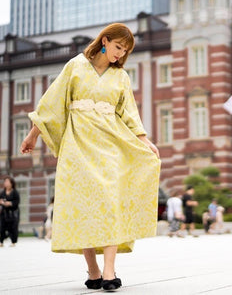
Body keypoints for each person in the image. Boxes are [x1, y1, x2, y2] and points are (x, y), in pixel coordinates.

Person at [20, 23, 161, 291]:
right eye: (118, 47)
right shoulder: (75, 66)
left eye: (125, 51)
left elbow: (129, 113)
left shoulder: (121, 77)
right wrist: (33, 134)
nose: (120, 54)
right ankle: (93, 271)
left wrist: (145, 141)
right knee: (84, 206)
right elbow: (52, 104)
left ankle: (110, 271)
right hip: (78, 147)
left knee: (109, 202)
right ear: (105, 41)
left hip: (109, 145)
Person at [0, 176, 20, 247]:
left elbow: (17, 201)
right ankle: (1, 242)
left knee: (13, 227)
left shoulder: (15, 192)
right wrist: (0, 202)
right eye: (5, 182)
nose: (5, 183)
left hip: (12, 213)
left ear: (11, 183)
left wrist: (10, 203)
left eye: (7, 181)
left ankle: (13, 242)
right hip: (4, 213)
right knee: (2, 227)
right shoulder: (3, 192)